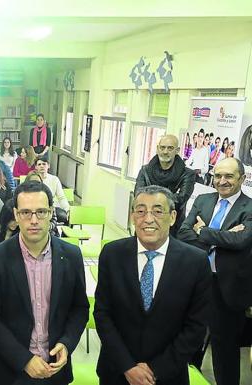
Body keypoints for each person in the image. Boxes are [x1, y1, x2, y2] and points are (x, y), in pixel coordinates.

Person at [95, 185, 212, 385]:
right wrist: (128, 367)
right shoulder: (112, 254)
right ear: (133, 216)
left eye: (158, 211)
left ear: (173, 216)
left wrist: (156, 370)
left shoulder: (196, 261)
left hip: (169, 375)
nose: (148, 219)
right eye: (140, 211)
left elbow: (196, 327)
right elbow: (103, 314)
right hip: (117, 372)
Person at [0, 181, 89, 385]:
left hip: (55, 368)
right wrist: (24, 360)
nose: (33, 220)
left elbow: (80, 309)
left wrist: (66, 344)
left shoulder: (72, 255)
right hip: (9, 370)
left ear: (51, 213)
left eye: (41, 212)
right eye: (25, 213)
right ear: (15, 214)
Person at [178, 157, 252, 385]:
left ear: (242, 178)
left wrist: (204, 231)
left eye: (229, 176)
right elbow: (183, 233)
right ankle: (188, 377)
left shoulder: (250, 207)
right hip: (198, 280)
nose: (222, 181)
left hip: (229, 288)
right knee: (190, 336)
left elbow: (242, 240)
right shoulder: (203, 199)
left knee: (224, 347)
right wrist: (223, 237)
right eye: (218, 175)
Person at [134, 135, 196, 235]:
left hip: (172, 228)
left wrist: (151, 200)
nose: (165, 151)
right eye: (162, 147)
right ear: (158, 149)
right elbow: (138, 196)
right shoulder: (145, 170)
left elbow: (180, 200)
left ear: (177, 150)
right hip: (145, 223)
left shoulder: (188, 174)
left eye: (170, 148)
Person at [34, 159, 70, 223]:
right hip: (36, 208)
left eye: (44, 164)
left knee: (66, 217)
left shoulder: (54, 179)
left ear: (48, 166)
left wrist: (68, 210)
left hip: (52, 208)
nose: (42, 166)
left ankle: (62, 233)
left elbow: (61, 197)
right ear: (36, 167)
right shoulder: (33, 179)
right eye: (39, 164)